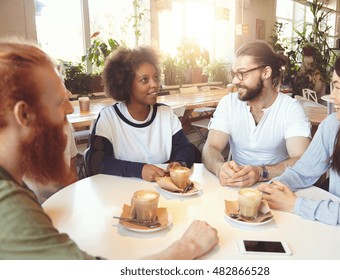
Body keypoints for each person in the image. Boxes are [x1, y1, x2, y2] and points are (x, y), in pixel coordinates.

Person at [0, 40, 218, 259]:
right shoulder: (9, 208)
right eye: (59, 102)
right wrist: (188, 247)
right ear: (23, 115)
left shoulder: (18, 190)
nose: (70, 108)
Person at [258, 49, 340, 259]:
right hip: (337, 228)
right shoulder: (333, 126)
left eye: (337, 87)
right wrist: (272, 188)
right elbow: (302, 172)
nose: (330, 96)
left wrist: (296, 205)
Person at [202, 40, 311, 187]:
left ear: (266, 72)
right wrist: (219, 167)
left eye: (242, 73)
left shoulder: (290, 109)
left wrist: (261, 172)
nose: (235, 81)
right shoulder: (228, 104)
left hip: (276, 186)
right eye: (234, 74)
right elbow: (211, 147)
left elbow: (301, 159)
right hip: (236, 186)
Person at [86, 46, 196, 181]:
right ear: (126, 84)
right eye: (145, 80)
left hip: (163, 192)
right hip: (120, 192)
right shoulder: (109, 118)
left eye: (155, 78)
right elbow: (96, 163)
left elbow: (186, 148)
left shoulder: (166, 114)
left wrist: (180, 162)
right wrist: (140, 170)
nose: (154, 84)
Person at [24, 122, 78, 204]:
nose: (70, 109)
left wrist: (73, 194)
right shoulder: (21, 137)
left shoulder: (66, 128)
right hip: (34, 203)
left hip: (64, 198)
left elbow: (72, 161)